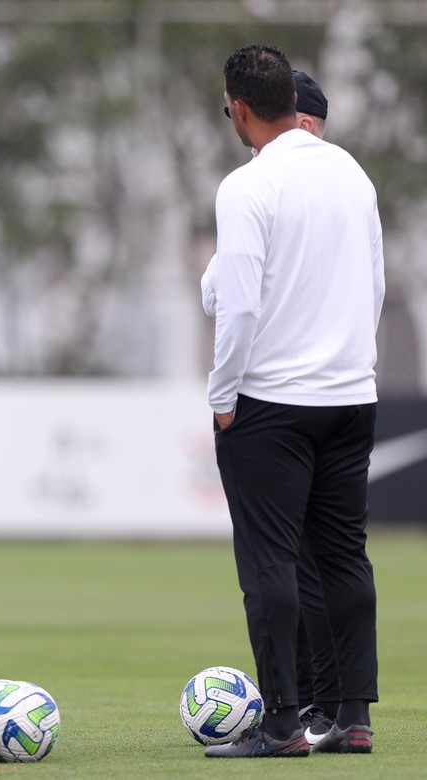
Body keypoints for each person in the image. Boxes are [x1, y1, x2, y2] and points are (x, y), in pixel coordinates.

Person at [205, 44, 383, 758]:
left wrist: (223, 396)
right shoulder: (351, 173)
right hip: (351, 392)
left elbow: (237, 305)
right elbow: (371, 282)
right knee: (345, 558)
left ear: (240, 108)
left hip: (273, 400)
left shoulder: (247, 187)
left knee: (270, 564)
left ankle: (281, 724)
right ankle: (352, 716)